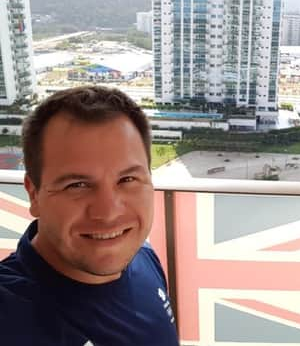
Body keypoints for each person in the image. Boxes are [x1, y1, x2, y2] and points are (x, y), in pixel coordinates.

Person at [0, 86, 179, 345]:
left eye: (127, 179)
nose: (108, 212)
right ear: (34, 194)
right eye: (77, 185)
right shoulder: (11, 316)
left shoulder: (142, 257)